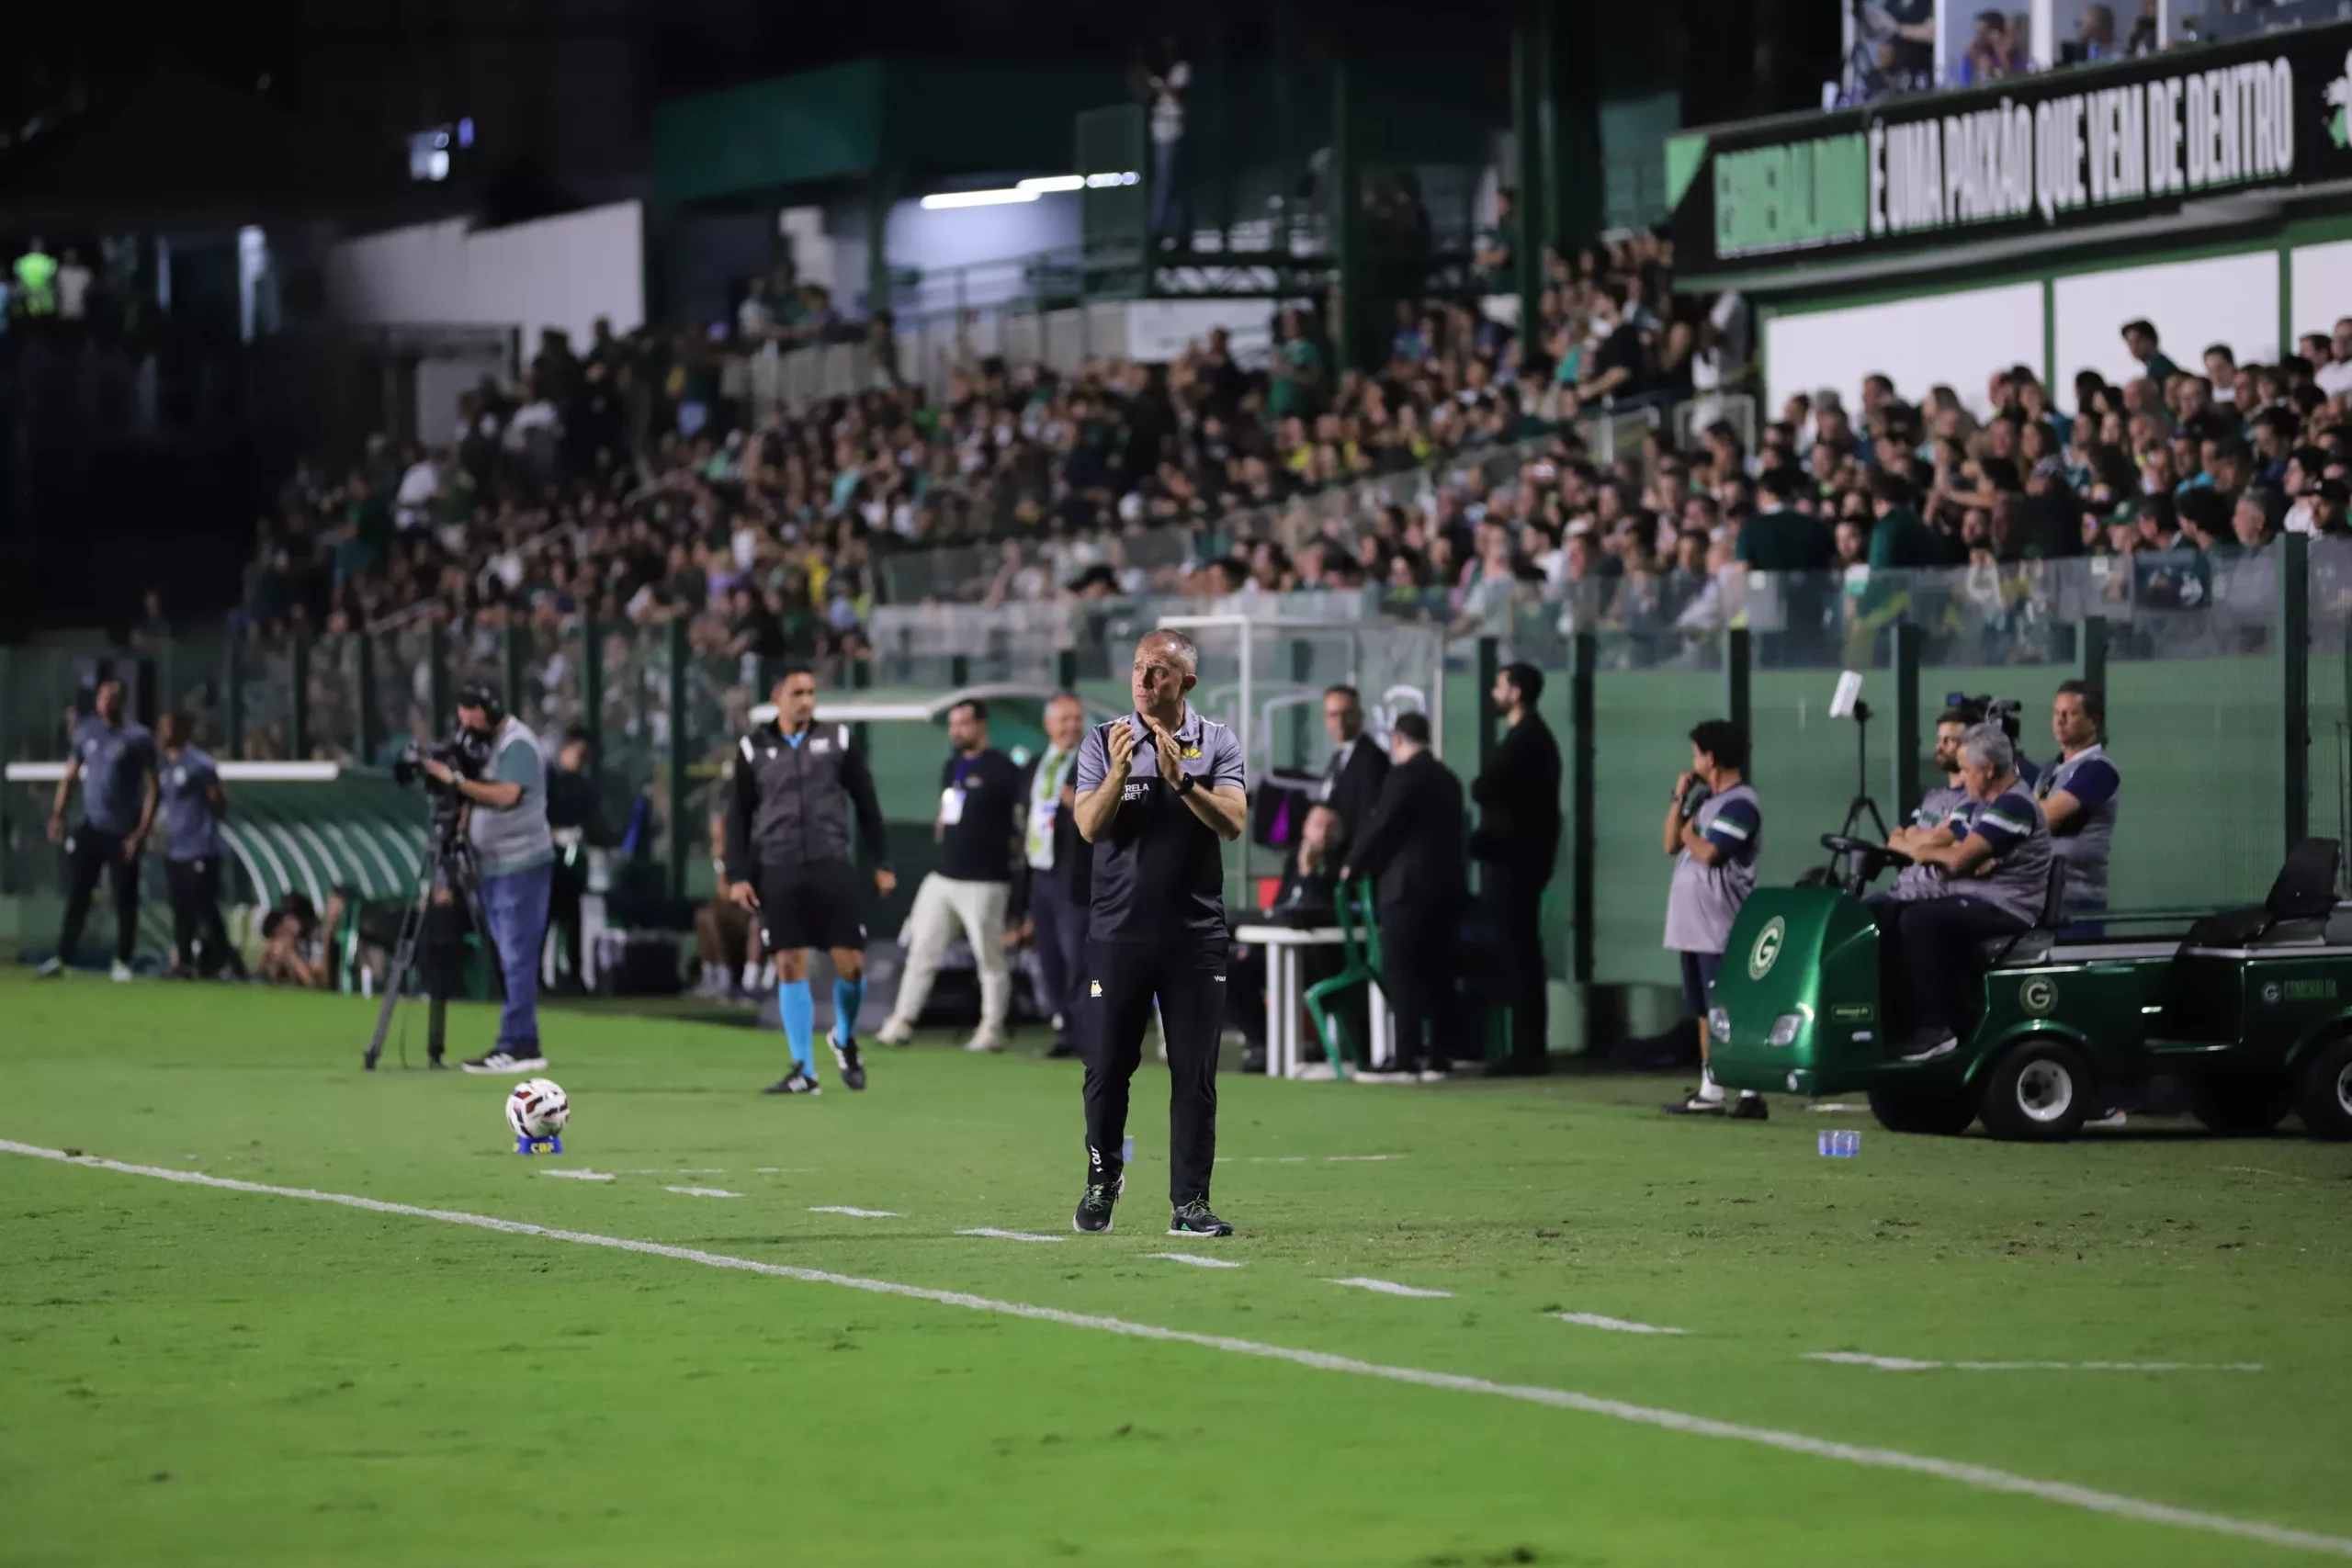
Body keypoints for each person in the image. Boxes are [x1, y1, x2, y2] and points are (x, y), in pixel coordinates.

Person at [1069, 629, 1248, 1238]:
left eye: (1160, 671)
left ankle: (1190, 1202)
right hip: (1117, 935)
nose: (1145, 681)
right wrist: (1120, 772)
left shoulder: (1216, 742)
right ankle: (1103, 1180)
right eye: (1139, 668)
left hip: (1194, 940)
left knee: (1194, 1072)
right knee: (1106, 1066)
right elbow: (1089, 826)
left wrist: (1182, 780)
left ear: (1186, 682)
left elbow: (1233, 823)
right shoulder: (1102, 741)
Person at [722, 665, 897, 1095]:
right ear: (777, 698)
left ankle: (844, 1036)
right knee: (788, 963)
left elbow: (867, 802)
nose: (806, 701)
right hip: (779, 867)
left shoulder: (837, 740)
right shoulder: (753, 748)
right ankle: (804, 1070)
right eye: (797, 693)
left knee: (851, 965)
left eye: (811, 693)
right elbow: (738, 816)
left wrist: (882, 861)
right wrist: (738, 874)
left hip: (831, 863)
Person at [1874, 724, 2053, 1060]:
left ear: (1989, 770)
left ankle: (1936, 1029)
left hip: (2006, 906)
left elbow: (1956, 861)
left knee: (1918, 920)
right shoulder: (1978, 806)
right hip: (1973, 897)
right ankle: (1894, 1022)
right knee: (1884, 911)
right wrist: (1940, 853)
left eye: (1966, 770)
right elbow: (1948, 850)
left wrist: (1927, 853)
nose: (1961, 777)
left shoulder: (2013, 807)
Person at [875, 698, 1024, 1053]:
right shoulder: (951, 766)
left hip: (985, 881)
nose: (956, 731)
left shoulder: (1004, 768)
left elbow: (1021, 820)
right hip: (944, 876)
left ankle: (991, 1028)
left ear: (981, 725)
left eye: (963, 724)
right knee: (921, 951)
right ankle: (901, 1021)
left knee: (989, 959)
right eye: (953, 725)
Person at [424, 685, 558, 1075]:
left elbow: (507, 795)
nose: (465, 719)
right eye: (462, 710)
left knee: (517, 957)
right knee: (509, 956)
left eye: (473, 710)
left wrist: (456, 782)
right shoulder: (482, 745)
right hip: (496, 866)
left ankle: (517, 1045)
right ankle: (521, 1041)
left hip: (522, 865)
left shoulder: (517, 744)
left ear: (492, 709)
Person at [1342, 713, 1467, 1083]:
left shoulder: (1404, 776)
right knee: (1439, 972)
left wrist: (1353, 864)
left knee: (1401, 971)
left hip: (1407, 889)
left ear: (1398, 740)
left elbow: (1382, 824)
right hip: (1446, 889)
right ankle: (1439, 1055)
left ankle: (1406, 1055)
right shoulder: (1448, 779)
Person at [1660, 720, 1768, 1119]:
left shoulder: (1741, 804)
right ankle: (1712, 1088)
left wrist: (1689, 829)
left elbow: (1709, 853)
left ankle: (1751, 1090)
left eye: (1696, 753)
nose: (1692, 762)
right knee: (1704, 1010)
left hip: (1719, 925)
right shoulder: (1706, 799)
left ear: (1711, 758)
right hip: (1693, 926)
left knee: (1729, 1008)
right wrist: (1680, 798)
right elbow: (1670, 843)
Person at [1469, 661, 1562, 1075]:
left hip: (1515, 864)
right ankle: (1526, 1048)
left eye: (1500, 685)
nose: (1494, 693)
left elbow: (1485, 787)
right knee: (1521, 952)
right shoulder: (1533, 739)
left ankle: (1526, 1051)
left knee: (1519, 954)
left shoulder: (1527, 741)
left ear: (1517, 692)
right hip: (1521, 862)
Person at [39, 678, 156, 981]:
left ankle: (123, 961)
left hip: (123, 830)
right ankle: (63, 958)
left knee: (124, 898)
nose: (106, 702)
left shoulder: (138, 737)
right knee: (78, 893)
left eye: (113, 697)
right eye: (103, 696)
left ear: (122, 701)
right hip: (91, 826)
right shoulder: (86, 732)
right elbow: (70, 776)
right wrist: (58, 814)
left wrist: (142, 831)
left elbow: (153, 787)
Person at [1229, 802, 1345, 1070]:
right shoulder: (1294, 858)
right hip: (1282, 954)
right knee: (1231, 972)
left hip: (1322, 958)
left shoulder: (1342, 864)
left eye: (1331, 827)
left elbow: (1317, 911)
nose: (1323, 832)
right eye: (1318, 824)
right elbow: (1281, 910)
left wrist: (1309, 874)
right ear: (1305, 828)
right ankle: (1263, 1045)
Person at [1012, 693, 1091, 1059]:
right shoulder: (1035, 765)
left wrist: (1080, 806)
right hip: (1039, 872)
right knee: (1050, 958)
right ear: (1047, 725)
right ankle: (1066, 1028)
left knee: (1080, 958)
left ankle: (1088, 1033)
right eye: (1064, 720)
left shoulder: (1094, 763)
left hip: (1073, 874)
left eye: (1076, 719)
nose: (1071, 726)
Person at [156, 713, 245, 981]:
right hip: (175, 849)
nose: (163, 733)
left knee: (205, 909)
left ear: (183, 730)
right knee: (181, 910)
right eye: (161, 728)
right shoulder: (163, 766)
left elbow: (218, 801)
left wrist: (202, 823)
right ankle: (183, 963)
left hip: (201, 848)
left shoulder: (199, 764)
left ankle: (228, 963)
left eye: (168, 728)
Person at [2032, 682, 2119, 921]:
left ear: (2094, 721)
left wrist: (2030, 811)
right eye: (2056, 713)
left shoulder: (2098, 770)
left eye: (2070, 714)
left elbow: (2044, 818)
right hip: (2040, 895)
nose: (2060, 721)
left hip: (2078, 899)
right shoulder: (2050, 769)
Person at [544, 727, 610, 994]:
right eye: (579, 753)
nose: (582, 760)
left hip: (573, 863)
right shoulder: (547, 780)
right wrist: (555, 834)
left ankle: (573, 976)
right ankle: (537, 978)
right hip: (546, 861)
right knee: (544, 919)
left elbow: (595, 821)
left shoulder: (583, 786)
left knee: (573, 919)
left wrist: (584, 835)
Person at [1317, 683, 1391, 844]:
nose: (1340, 721)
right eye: (1333, 715)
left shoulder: (1373, 760)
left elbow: (1370, 820)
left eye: (1346, 714)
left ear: (1360, 716)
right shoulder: (1338, 758)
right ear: (1325, 720)